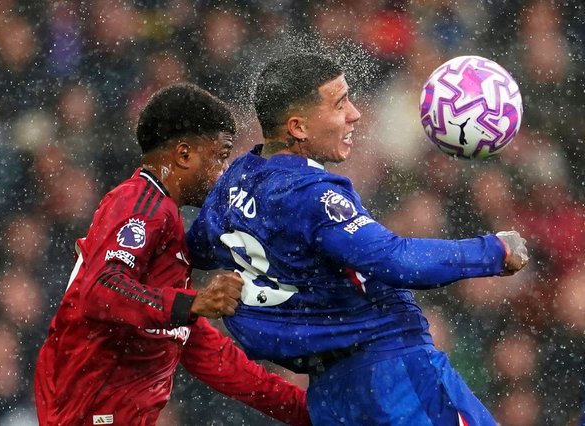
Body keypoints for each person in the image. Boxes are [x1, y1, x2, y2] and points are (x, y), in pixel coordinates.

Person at [187, 53, 530, 425]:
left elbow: (194, 250)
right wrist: (493, 251)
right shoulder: (311, 194)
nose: (355, 114)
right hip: (392, 378)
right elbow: (394, 260)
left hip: (333, 399)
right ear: (298, 127)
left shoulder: (236, 181)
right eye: (339, 104)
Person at [34, 83, 310, 426]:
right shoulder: (141, 202)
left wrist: (307, 411)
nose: (223, 172)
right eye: (221, 156)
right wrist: (189, 303)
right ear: (183, 154)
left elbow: (212, 357)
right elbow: (100, 289)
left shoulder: (170, 235)